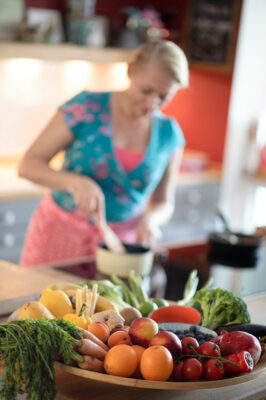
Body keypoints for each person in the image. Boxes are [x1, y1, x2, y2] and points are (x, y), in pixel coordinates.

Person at [18, 39, 189, 268]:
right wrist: (75, 183)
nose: (152, 103)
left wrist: (151, 220)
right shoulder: (85, 107)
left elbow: (164, 201)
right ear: (131, 71)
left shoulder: (169, 135)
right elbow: (28, 164)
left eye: (163, 96)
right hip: (58, 236)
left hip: (120, 250)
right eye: (146, 91)